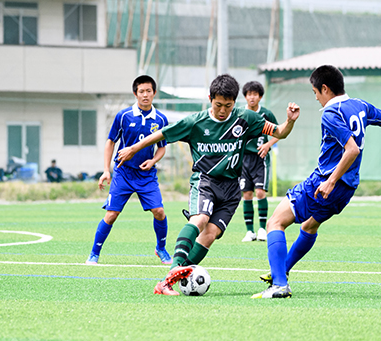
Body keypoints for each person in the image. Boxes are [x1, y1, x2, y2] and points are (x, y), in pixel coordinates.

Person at [117, 74, 300, 296]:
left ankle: (167, 282)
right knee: (200, 219)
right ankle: (175, 267)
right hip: (205, 181)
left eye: (228, 106)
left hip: (232, 189)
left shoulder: (246, 118)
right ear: (210, 99)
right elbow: (161, 134)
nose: (223, 110)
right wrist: (133, 149)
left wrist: (290, 120)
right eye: (218, 105)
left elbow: (280, 132)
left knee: (211, 233)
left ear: (235, 103)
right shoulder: (195, 122)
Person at [252, 65, 381, 299]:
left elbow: (352, 150)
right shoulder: (360, 105)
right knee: (309, 226)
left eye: (315, 92)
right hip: (347, 189)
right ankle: (281, 272)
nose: (316, 98)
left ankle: (279, 285)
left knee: (275, 222)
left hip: (324, 183)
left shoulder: (331, 113)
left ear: (325, 89)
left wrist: (330, 181)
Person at [86, 75, 172, 266]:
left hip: (146, 175)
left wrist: (153, 160)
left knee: (159, 211)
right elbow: (110, 142)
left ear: (154, 93)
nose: (145, 95)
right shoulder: (123, 116)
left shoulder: (161, 119)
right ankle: (94, 253)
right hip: (123, 173)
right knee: (111, 215)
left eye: (149, 91)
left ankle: (161, 249)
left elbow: (162, 147)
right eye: (141, 91)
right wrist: (106, 170)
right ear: (135, 94)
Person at [239, 81, 279, 243]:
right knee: (246, 194)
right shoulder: (240, 114)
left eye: (255, 94)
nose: (252, 97)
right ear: (246, 96)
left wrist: (268, 145)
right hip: (243, 160)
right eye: (249, 94)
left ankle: (262, 228)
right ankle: (250, 231)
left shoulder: (266, 114)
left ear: (260, 97)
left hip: (260, 159)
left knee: (260, 192)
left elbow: (279, 132)